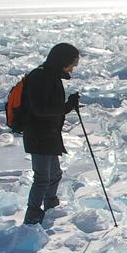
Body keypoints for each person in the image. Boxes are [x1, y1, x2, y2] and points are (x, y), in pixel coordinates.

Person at [21, 42, 80, 224]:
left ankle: (51, 209)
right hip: (38, 137)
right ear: (62, 60)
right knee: (42, 179)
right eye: (72, 63)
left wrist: (66, 107)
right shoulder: (40, 77)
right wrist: (67, 107)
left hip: (49, 136)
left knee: (55, 175)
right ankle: (33, 216)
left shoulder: (52, 76)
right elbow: (40, 109)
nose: (73, 68)